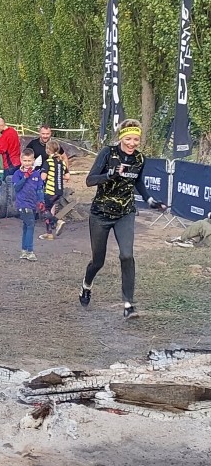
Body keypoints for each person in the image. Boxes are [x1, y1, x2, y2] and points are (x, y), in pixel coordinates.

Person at [79, 119, 166, 320]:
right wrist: (109, 174)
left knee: (127, 255)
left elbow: (139, 182)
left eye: (136, 139)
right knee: (97, 261)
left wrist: (150, 200)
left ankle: (128, 304)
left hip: (125, 213)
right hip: (100, 214)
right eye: (128, 139)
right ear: (121, 138)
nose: (132, 143)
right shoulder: (108, 153)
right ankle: (86, 285)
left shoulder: (140, 158)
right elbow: (90, 180)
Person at [11, 148, 44, 261]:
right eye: (25, 160)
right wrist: (25, 177)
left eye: (29, 161)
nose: (27, 163)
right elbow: (16, 187)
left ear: (33, 160)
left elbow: (39, 188)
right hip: (23, 204)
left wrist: (41, 201)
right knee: (30, 225)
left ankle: (24, 251)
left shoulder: (36, 174)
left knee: (26, 226)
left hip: (32, 204)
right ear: (21, 160)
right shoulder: (17, 174)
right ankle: (30, 251)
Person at [38, 138, 69, 240]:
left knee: (44, 210)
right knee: (48, 211)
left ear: (48, 150)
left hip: (50, 190)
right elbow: (67, 176)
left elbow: (43, 177)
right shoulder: (62, 163)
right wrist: (57, 175)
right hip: (59, 191)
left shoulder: (48, 162)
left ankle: (57, 221)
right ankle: (49, 234)